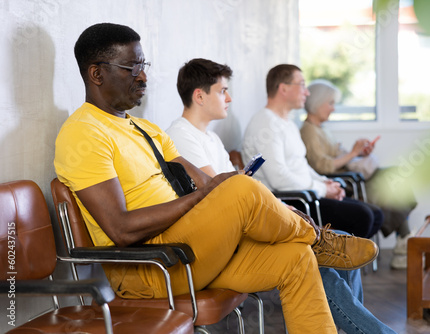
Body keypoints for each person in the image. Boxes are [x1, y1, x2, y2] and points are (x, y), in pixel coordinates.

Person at [54, 23, 379, 334]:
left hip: (189, 249)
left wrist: (265, 206)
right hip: (150, 268)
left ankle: (309, 242)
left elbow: (207, 185)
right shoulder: (83, 133)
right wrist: (206, 196)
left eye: (144, 65)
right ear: (96, 73)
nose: (143, 76)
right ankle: (316, 239)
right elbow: (121, 229)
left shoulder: (146, 129)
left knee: (296, 257)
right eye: (131, 67)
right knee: (238, 186)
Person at [167, 57, 397, 334]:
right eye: (222, 91)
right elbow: (218, 191)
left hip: (239, 228)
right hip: (221, 242)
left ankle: (317, 244)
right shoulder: (181, 136)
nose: (229, 98)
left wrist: (277, 205)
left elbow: (238, 185)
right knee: (320, 262)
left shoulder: (211, 139)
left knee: (343, 247)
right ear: (200, 96)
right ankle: (316, 241)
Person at [242, 64, 383, 240]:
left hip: (306, 192)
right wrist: (322, 189)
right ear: (283, 88)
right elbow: (278, 178)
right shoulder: (266, 124)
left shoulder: (287, 123)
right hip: (292, 201)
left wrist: (326, 182)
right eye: (301, 84)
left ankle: (340, 261)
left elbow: (302, 165)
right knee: (364, 216)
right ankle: (331, 261)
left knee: (375, 214)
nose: (307, 92)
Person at [301, 79, 418, 269]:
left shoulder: (321, 130)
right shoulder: (309, 132)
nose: (333, 109)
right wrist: (353, 153)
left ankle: (403, 241)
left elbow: (342, 158)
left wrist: (359, 153)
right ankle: (403, 242)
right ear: (316, 103)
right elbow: (322, 166)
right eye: (330, 103)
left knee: (397, 176)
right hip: (342, 183)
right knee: (394, 181)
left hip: (349, 177)